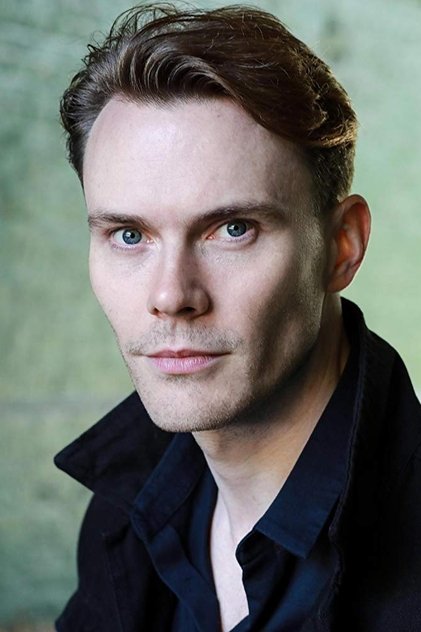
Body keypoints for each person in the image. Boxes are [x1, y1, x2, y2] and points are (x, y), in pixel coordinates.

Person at [54, 4, 421, 631]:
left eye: (232, 229)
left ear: (342, 247)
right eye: (129, 235)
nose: (172, 295)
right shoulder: (128, 507)